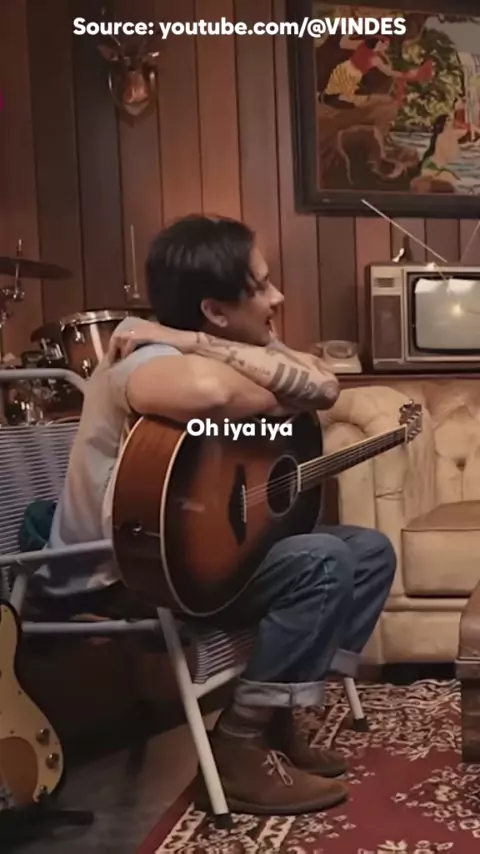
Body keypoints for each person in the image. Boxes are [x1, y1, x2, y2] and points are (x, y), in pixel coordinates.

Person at [32, 214, 396, 816]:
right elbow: (212, 395)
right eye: (261, 285)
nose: (278, 297)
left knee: (369, 552)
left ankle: (276, 715)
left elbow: (326, 385)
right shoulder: (140, 361)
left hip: (184, 556)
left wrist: (196, 340)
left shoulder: (201, 346)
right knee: (323, 560)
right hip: (122, 574)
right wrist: (194, 351)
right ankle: (239, 744)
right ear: (215, 310)